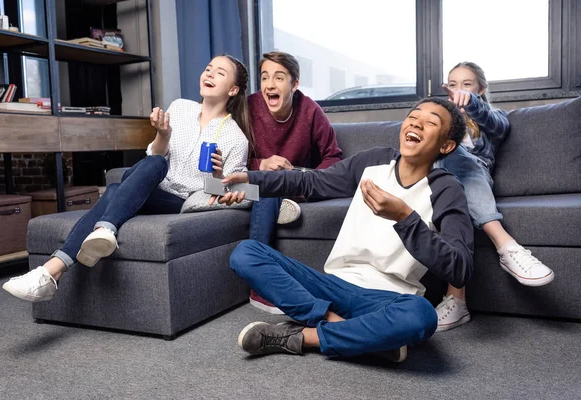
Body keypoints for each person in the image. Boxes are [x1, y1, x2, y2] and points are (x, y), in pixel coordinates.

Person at [211, 97, 473, 362]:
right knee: (246, 253)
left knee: (422, 315)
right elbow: (310, 182)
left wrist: (404, 217)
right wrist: (250, 178)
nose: (416, 123)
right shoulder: (374, 161)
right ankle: (342, 328)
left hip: (387, 300)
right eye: (414, 116)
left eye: (430, 123)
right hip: (333, 285)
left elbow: (460, 268)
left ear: (446, 145)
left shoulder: (447, 189)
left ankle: (304, 337)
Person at [3, 54, 252, 303]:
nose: (209, 73)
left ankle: (53, 269)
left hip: (179, 201)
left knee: (114, 190)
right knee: (152, 163)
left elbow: (236, 192)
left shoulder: (235, 138)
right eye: (208, 68)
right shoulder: (180, 108)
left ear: (233, 89)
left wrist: (219, 177)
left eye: (219, 72)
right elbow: (154, 156)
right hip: (153, 185)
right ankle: (96, 237)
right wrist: (163, 134)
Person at [434, 62, 554, 332]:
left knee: (454, 164)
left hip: (473, 175)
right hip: (435, 181)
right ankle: (506, 246)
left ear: (481, 89)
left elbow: (498, 125)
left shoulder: (492, 116)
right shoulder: (440, 118)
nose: (459, 89)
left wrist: (471, 104)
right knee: (448, 182)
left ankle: (456, 299)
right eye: (453, 85)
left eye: (467, 84)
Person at [247, 51, 343, 313]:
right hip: (251, 184)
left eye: (279, 78)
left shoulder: (310, 110)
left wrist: (302, 182)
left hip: (290, 186)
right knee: (269, 184)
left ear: (294, 84)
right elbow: (233, 156)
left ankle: (285, 200)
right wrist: (261, 164)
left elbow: (333, 156)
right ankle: (260, 285)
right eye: (265, 77)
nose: (269, 84)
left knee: (274, 185)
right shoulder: (248, 107)